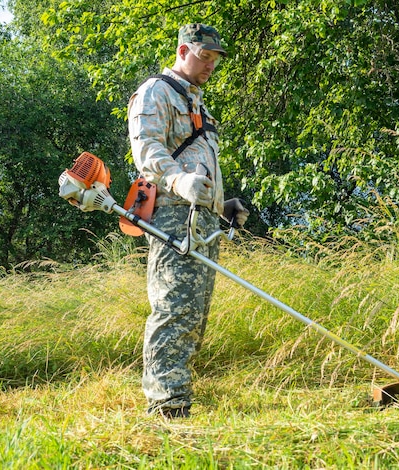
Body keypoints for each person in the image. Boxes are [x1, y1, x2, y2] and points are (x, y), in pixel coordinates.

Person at [127, 23, 249, 419]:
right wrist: (178, 180)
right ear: (183, 51)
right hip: (172, 216)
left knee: (195, 316)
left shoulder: (201, 107)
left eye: (215, 59)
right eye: (205, 56)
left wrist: (221, 203)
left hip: (203, 220)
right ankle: (166, 406)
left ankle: (177, 396)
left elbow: (199, 164)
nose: (211, 65)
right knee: (173, 309)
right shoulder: (156, 92)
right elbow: (147, 148)